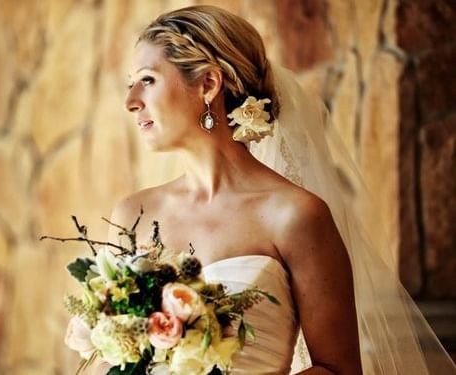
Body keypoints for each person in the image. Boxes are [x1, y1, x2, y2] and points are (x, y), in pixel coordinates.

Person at [108, 5, 454, 375]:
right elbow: (106, 360)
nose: (131, 101)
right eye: (132, 83)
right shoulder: (131, 214)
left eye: (147, 80)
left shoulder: (295, 215)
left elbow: (338, 369)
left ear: (209, 84)